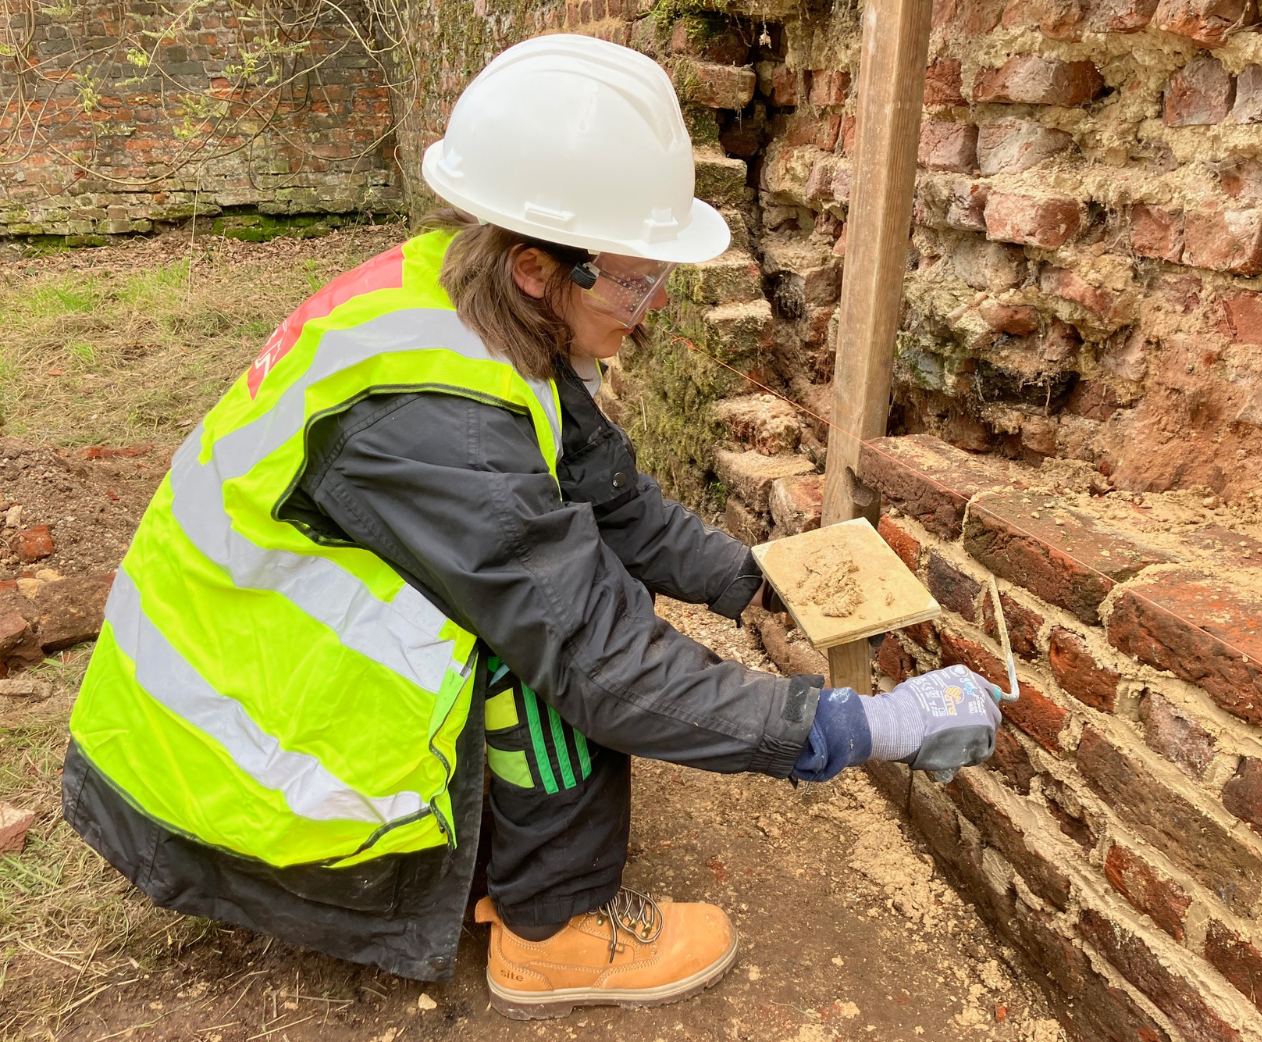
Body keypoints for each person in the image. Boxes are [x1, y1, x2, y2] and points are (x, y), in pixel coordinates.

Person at [62, 34, 1003, 1021]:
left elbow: (608, 498)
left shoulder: (458, 302)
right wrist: (863, 727)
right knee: (559, 640)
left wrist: (761, 580)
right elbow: (599, 660)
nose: (650, 308)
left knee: (570, 594)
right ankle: (554, 932)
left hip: (257, 668)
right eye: (634, 281)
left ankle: (506, 864)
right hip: (231, 768)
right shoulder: (445, 423)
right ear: (533, 267)